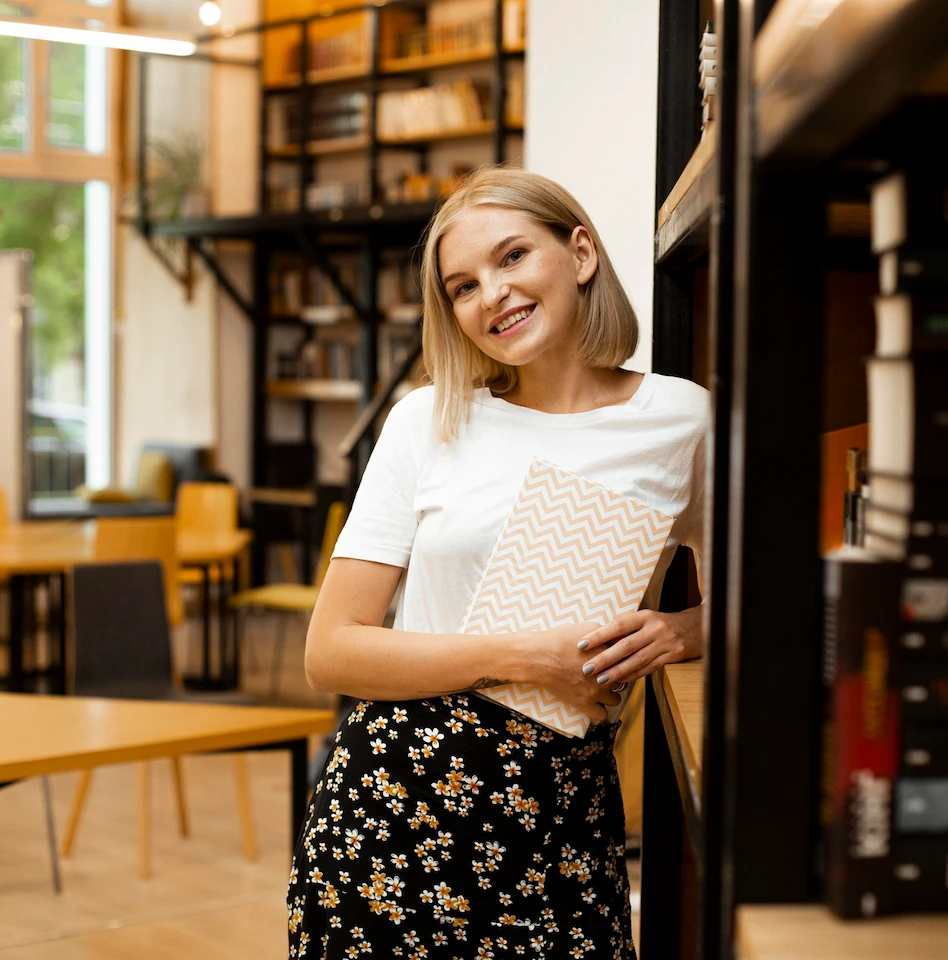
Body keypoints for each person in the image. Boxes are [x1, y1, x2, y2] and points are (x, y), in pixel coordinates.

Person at [288, 167, 707, 958]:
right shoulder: (427, 418)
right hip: (390, 816)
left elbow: (764, 599)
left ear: (580, 253)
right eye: (463, 285)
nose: (493, 294)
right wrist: (525, 656)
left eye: (514, 257)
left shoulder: (680, 420)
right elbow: (330, 649)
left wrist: (681, 631)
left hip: (562, 818)